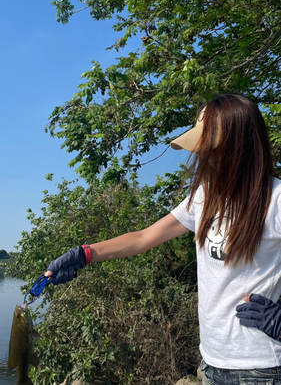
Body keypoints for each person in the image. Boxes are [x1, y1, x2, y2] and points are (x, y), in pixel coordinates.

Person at [45, 93, 281, 384]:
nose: (203, 155)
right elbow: (143, 238)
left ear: (239, 146)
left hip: (261, 368)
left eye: (211, 148)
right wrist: (84, 255)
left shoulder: (275, 199)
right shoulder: (205, 198)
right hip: (212, 363)